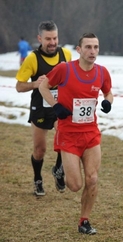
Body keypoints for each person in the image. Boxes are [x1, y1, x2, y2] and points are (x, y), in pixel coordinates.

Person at [38, 33, 113, 235]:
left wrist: (108, 102)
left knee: (92, 179)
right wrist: (56, 107)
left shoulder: (102, 72)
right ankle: (60, 168)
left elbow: (108, 92)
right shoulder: (64, 69)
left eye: (96, 47)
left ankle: (84, 221)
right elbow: (44, 87)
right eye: (88, 47)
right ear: (78, 50)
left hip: (90, 133)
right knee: (75, 185)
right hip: (68, 133)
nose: (93, 51)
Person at [16, 21, 72, 196]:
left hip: (59, 107)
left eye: (55, 38)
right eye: (48, 39)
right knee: (40, 150)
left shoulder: (66, 54)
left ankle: (58, 169)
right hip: (40, 107)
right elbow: (19, 86)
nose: (52, 42)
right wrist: (34, 84)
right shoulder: (33, 58)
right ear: (39, 38)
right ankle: (37, 179)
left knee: (65, 140)